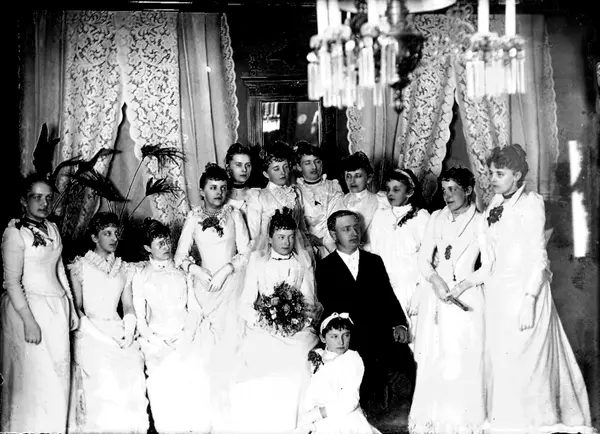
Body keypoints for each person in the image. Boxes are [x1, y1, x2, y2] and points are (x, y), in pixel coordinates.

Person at [482, 144, 595, 434]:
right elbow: (491, 255)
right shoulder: (495, 203)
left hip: (525, 291)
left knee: (527, 361)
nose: (492, 178)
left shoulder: (530, 203)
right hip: (499, 293)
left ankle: (533, 424)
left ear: (517, 175)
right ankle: (507, 422)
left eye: (500, 173)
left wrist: (530, 299)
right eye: (491, 172)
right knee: (502, 359)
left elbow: (538, 257)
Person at [223, 208, 321, 434]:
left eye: (290, 237)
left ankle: (295, 422)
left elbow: (308, 301)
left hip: (296, 329)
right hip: (264, 327)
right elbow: (245, 303)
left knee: (299, 359)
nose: (286, 242)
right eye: (280, 237)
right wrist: (265, 321)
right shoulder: (258, 261)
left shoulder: (302, 261)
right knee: (256, 353)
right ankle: (263, 423)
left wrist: (296, 322)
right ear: (269, 238)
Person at [408, 167, 490, 434]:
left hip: (467, 297)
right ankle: (433, 420)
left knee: (463, 358)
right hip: (437, 296)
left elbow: (488, 267)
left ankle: (462, 423)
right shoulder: (436, 218)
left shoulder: (481, 222)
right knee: (435, 358)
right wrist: (436, 280)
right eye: (444, 190)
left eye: (453, 189)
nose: (447, 195)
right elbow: (423, 259)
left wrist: (462, 285)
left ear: (468, 190)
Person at [173, 163, 251, 424]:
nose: (219, 192)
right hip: (205, 288)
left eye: (223, 187)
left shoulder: (234, 215)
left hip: (232, 285)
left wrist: (227, 269)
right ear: (202, 191)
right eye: (213, 187)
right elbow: (180, 256)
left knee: (232, 341)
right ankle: (212, 410)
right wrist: (196, 269)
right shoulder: (193, 218)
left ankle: (233, 410)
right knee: (207, 349)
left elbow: (246, 252)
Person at [1, 173, 78, 433]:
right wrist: (29, 322)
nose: (44, 203)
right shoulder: (15, 234)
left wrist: (71, 306)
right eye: (37, 197)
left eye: (48, 198)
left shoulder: (53, 228)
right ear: (24, 201)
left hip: (57, 309)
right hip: (29, 310)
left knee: (57, 378)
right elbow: (12, 283)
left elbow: (59, 270)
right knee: (36, 380)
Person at [315, 209, 409, 417]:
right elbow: (328, 307)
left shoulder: (374, 261)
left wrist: (399, 323)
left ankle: (389, 408)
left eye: (356, 228)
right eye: (346, 229)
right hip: (348, 335)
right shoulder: (324, 267)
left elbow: (387, 295)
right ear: (333, 234)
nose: (354, 233)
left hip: (377, 329)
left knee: (405, 363)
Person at [67, 211, 148, 433]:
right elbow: (77, 309)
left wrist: (129, 332)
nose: (114, 238)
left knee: (132, 368)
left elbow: (128, 306)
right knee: (104, 373)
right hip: (90, 332)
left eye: (116, 233)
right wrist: (100, 337)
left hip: (117, 329)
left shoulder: (124, 268)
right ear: (94, 237)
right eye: (107, 233)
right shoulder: (80, 266)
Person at [132, 218, 211, 433]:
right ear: (148, 248)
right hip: (158, 342)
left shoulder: (182, 270)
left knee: (195, 378)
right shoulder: (141, 275)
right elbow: (140, 319)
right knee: (163, 384)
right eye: (160, 243)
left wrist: (187, 335)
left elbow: (194, 308)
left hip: (186, 335)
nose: (166, 246)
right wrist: (157, 340)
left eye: (167, 241)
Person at [366, 168, 429, 351]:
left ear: (409, 192)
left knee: (414, 340)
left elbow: (430, 258)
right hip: (385, 286)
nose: (390, 194)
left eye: (396, 189)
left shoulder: (421, 217)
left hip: (411, 286)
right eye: (388, 189)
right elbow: (374, 251)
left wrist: (421, 291)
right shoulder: (381, 215)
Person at [296, 312, 381, 434]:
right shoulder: (317, 356)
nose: (341, 342)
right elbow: (311, 388)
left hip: (342, 416)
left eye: (346, 335)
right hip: (318, 416)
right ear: (323, 338)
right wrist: (308, 414)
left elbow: (349, 400)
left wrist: (317, 414)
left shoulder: (351, 358)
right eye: (334, 336)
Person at [246, 140, 313, 264]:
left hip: (298, 252)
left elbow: (302, 228)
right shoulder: (259, 196)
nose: (282, 172)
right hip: (269, 255)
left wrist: (308, 250)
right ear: (266, 174)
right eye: (276, 169)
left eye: (285, 167)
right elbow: (254, 235)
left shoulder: (295, 192)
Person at [295, 141, 344, 259]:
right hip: (305, 248)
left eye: (317, 161)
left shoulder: (333, 187)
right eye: (307, 163)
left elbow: (338, 219)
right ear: (299, 167)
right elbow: (298, 224)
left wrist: (322, 240)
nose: (314, 167)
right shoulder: (295, 191)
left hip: (332, 244)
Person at [340, 151, 381, 246]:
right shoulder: (341, 200)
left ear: (369, 178)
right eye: (348, 176)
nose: (352, 181)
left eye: (358, 176)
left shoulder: (378, 201)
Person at [225, 142, 260, 222]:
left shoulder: (257, 195)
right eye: (238, 165)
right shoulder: (221, 198)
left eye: (248, 165)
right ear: (228, 167)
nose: (244, 169)